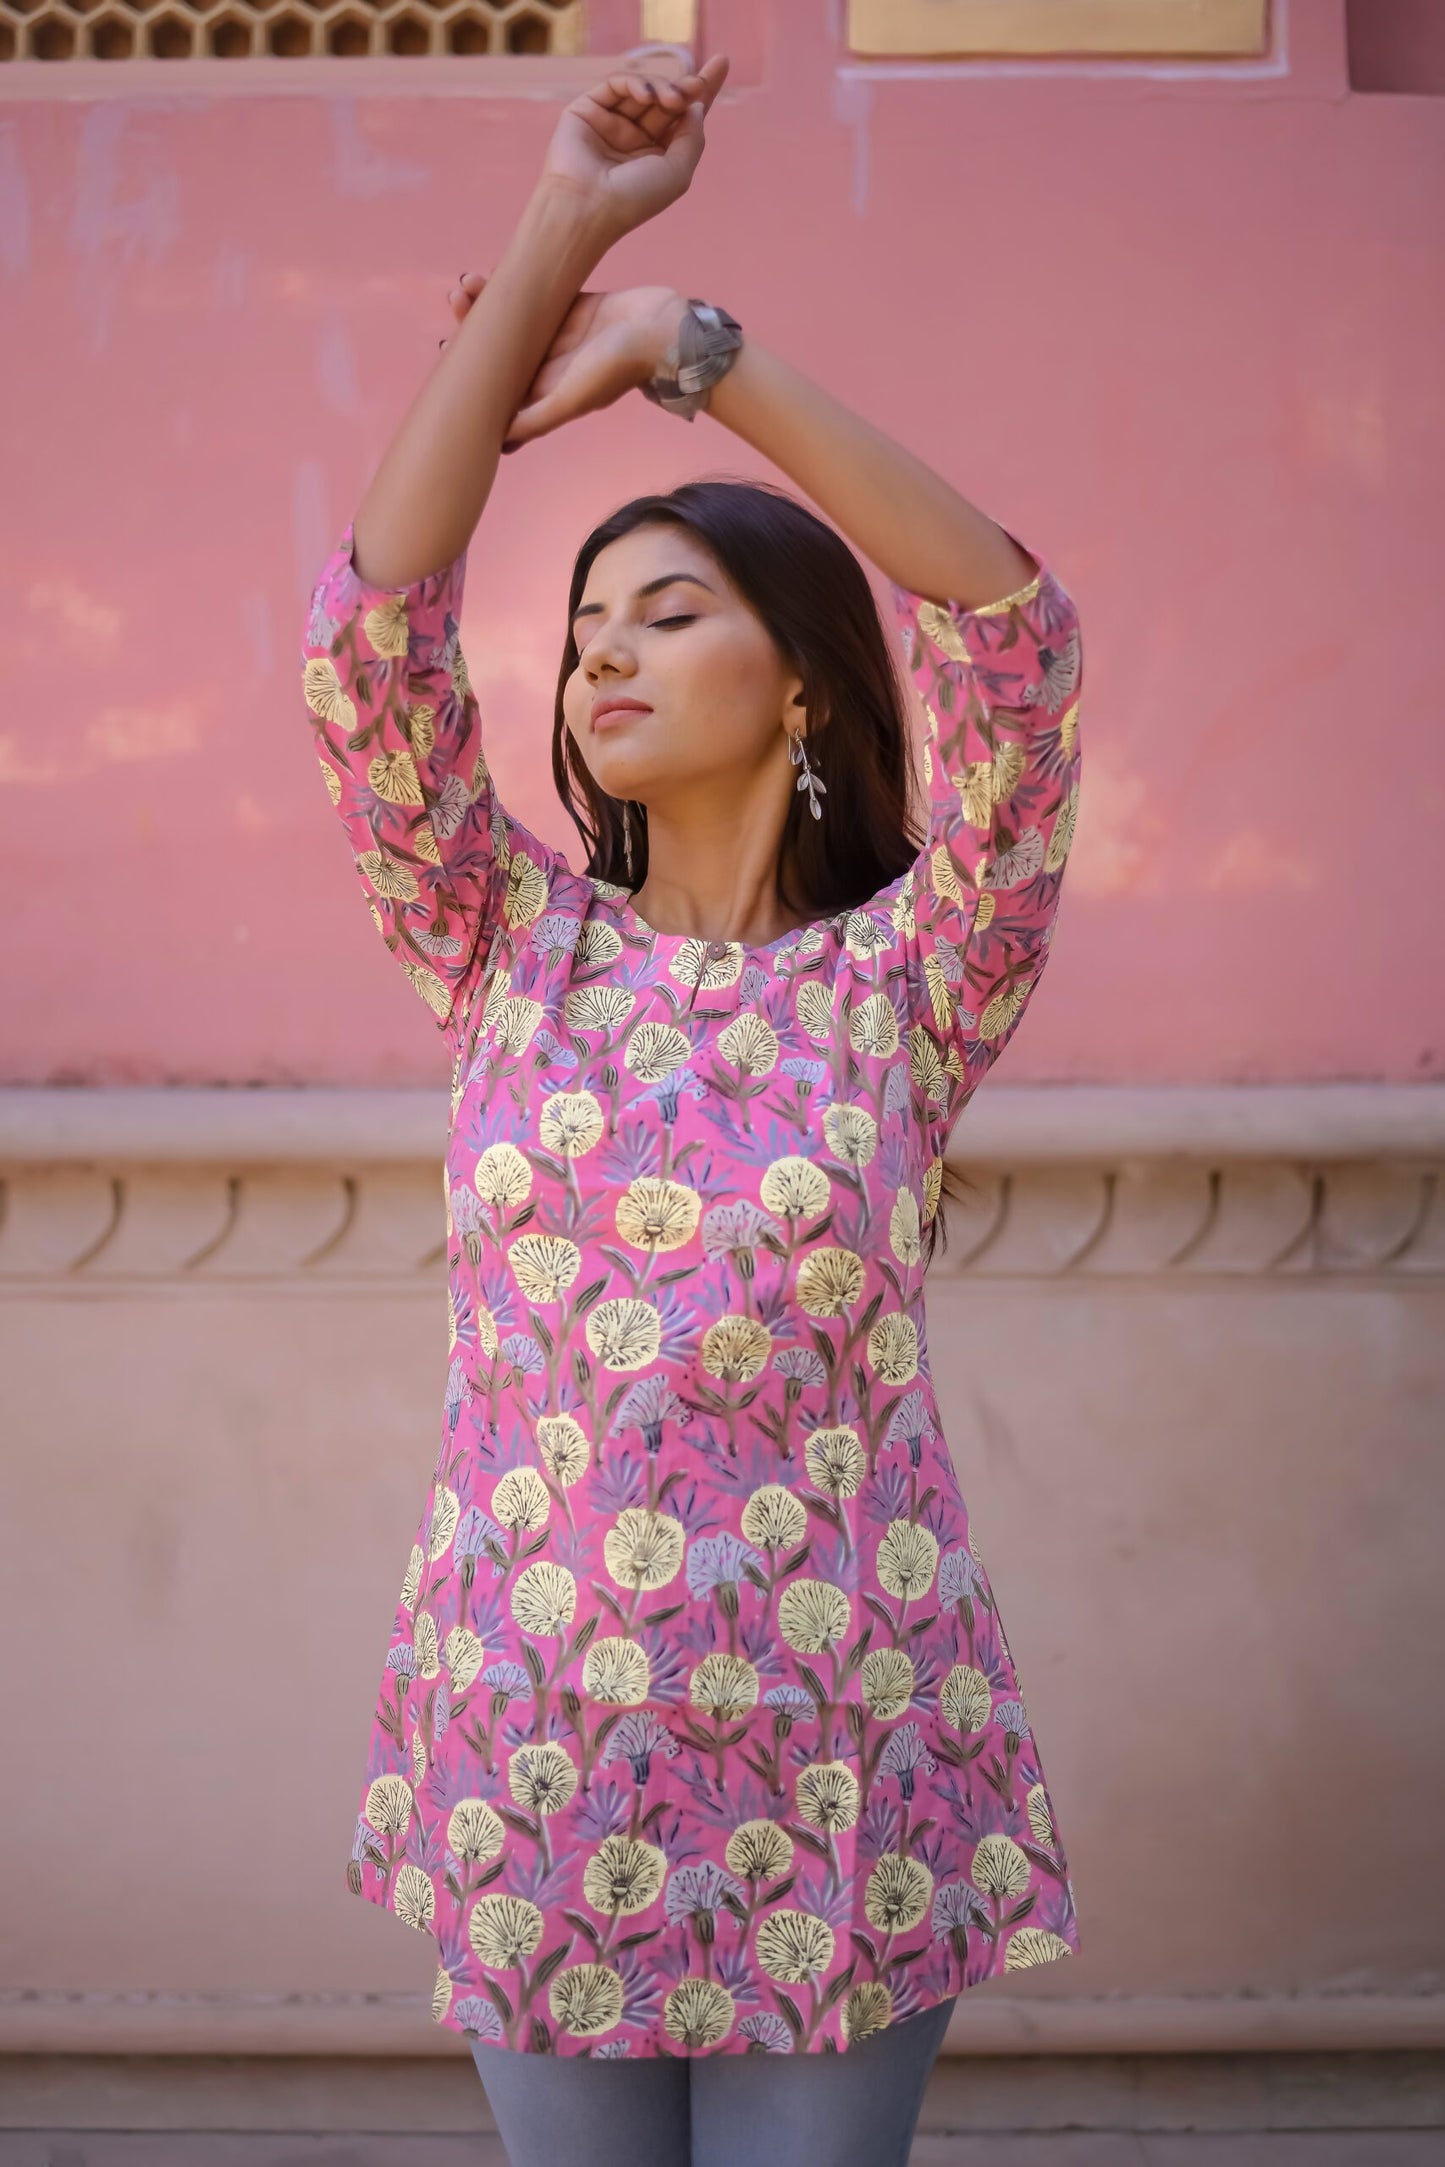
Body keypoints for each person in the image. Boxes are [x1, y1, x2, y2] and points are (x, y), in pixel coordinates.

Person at [301, 49, 1082, 2167]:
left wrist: (695, 360)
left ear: (805, 679)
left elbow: (1014, 636)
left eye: (669, 612)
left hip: (851, 1754)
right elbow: (372, 641)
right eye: (578, 635)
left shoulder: (918, 978)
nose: (600, 664)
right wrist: (572, 225)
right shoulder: (501, 949)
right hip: (534, 1740)